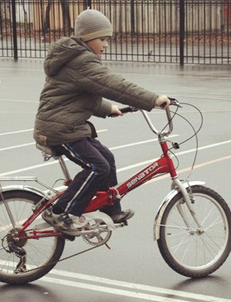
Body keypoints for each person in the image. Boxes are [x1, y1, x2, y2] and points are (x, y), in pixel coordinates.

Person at [34, 9, 170, 236]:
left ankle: (110, 208)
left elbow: (82, 95)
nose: (106, 44)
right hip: (59, 130)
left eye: (108, 39)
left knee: (107, 159)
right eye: (102, 39)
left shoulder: (78, 61)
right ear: (87, 39)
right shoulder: (82, 61)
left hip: (69, 126)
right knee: (98, 167)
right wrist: (152, 99)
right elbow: (113, 85)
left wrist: (109, 109)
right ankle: (62, 212)